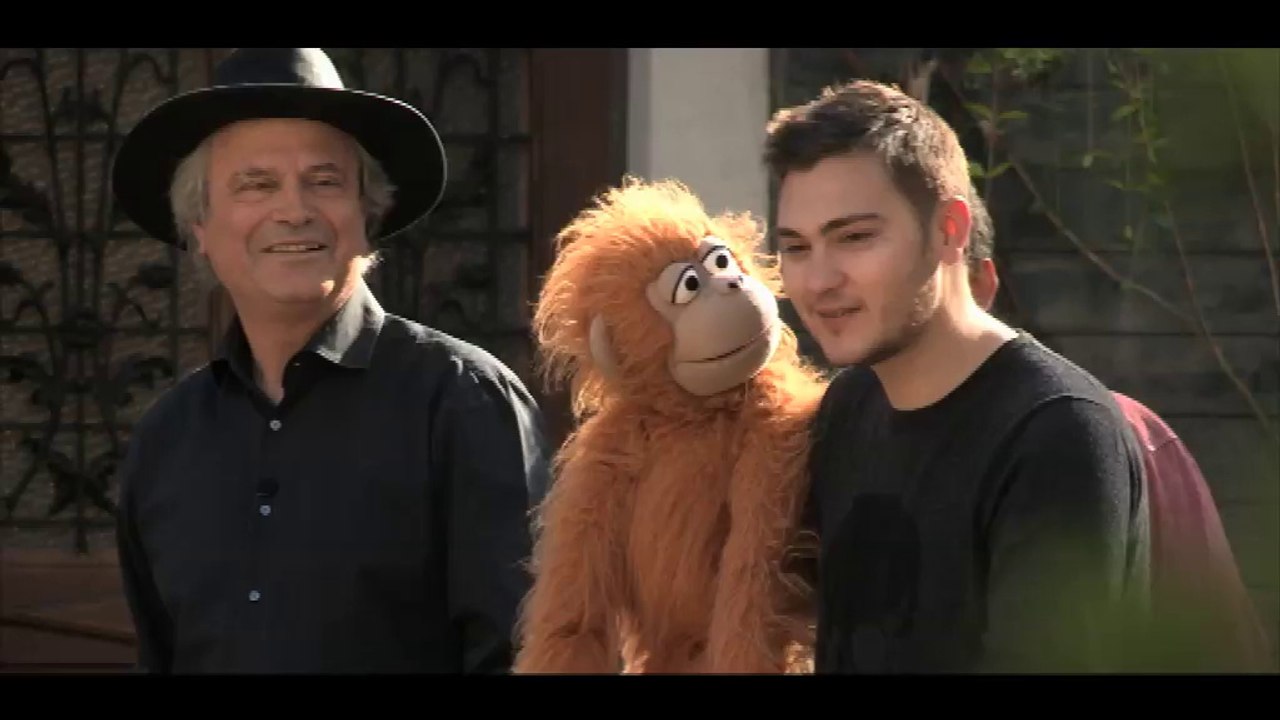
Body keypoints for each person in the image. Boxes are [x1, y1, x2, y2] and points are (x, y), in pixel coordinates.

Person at [110, 48, 549, 674]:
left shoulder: (462, 401)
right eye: (256, 184)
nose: (294, 210)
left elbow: (533, 654)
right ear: (198, 226)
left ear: (368, 216)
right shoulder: (166, 440)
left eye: (324, 181)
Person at [765, 79, 1151, 673]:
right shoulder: (848, 407)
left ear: (949, 230)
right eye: (796, 247)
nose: (818, 281)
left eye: (854, 237)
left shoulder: (1057, 431)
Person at [965, 192, 1275, 673]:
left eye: (861, 239)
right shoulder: (850, 433)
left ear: (981, 285)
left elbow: (1217, 643)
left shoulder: (1118, 433)